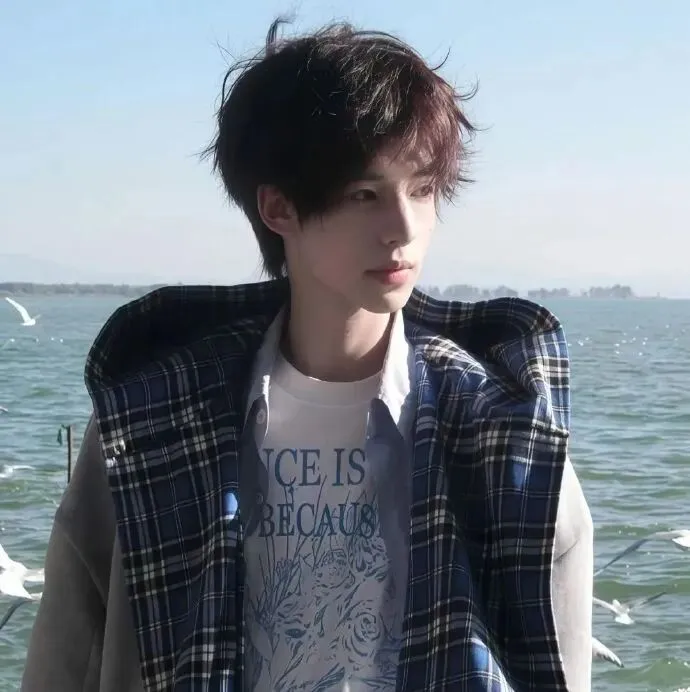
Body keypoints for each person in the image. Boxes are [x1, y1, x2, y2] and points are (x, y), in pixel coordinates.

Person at [21, 18, 593, 692]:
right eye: (364, 194)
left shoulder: (504, 428)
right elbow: (68, 654)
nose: (404, 228)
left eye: (423, 189)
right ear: (279, 208)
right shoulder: (152, 417)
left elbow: (556, 662)